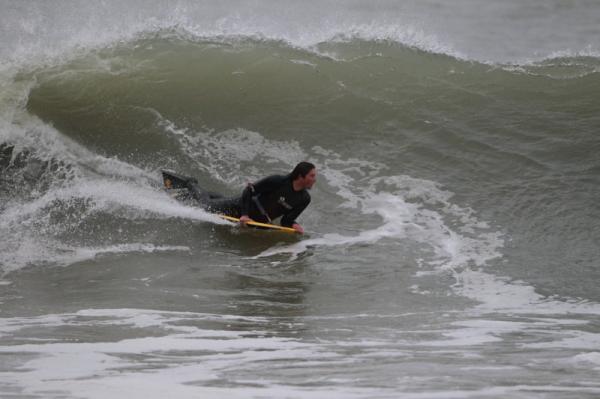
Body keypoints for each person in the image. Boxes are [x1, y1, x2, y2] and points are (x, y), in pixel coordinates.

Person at [184, 162, 316, 234]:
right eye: (311, 176)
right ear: (300, 176)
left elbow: (286, 220)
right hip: (238, 208)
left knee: (220, 200)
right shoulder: (278, 181)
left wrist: (294, 225)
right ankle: (190, 183)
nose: (314, 180)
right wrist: (245, 214)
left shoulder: (304, 199)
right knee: (205, 205)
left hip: (258, 220)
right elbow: (249, 191)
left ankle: (212, 194)